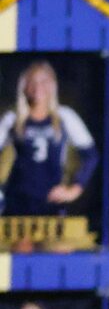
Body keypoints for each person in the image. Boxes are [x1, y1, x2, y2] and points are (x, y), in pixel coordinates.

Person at [0, 61, 96, 235]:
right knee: (22, 257)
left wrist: (74, 190)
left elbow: (91, 155)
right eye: (33, 81)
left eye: (44, 81)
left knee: (56, 256)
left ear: (53, 85)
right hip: (19, 201)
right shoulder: (12, 118)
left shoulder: (65, 116)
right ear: (24, 86)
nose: (38, 87)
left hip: (52, 200)